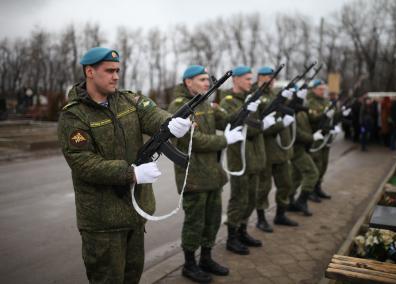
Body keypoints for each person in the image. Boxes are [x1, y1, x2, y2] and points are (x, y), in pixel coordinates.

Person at [57, 47, 192, 283]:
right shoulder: (74, 115)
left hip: (135, 213)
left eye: (118, 70)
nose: (116, 76)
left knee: (132, 278)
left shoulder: (129, 100)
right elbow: (83, 163)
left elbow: (154, 116)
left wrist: (173, 124)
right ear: (89, 71)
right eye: (109, 71)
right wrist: (130, 173)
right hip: (102, 223)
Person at [168, 65, 246, 283]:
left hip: (212, 174)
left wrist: (248, 107)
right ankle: (189, 264)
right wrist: (225, 140)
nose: (206, 83)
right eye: (201, 79)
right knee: (195, 222)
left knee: (212, 220)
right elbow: (195, 140)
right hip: (193, 176)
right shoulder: (180, 107)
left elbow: (227, 119)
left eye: (206, 80)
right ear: (188, 82)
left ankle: (206, 258)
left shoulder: (207, 103)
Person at [220, 66, 266, 255]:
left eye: (251, 79)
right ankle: (232, 237)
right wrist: (246, 110)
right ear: (236, 80)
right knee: (239, 199)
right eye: (247, 79)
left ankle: (242, 230)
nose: (250, 82)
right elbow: (228, 122)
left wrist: (253, 112)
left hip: (255, 157)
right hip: (239, 159)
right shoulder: (228, 101)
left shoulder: (252, 99)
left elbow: (257, 128)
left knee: (252, 198)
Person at [255, 66, 298, 233]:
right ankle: (261, 219)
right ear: (260, 78)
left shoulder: (274, 94)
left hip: (281, 151)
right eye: (268, 77)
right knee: (263, 188)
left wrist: (292, 98)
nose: (272, 80)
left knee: (286, 184)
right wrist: (281, 124)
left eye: (273, 77)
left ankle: (281, 214)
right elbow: (261, 126)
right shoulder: (256, 97)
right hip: (266, 151)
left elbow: (288, 111)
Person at [288, 87, 321, 216]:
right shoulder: (293, 111)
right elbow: (295, 133)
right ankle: (301, 201)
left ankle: (289, 203)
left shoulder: (301, 110)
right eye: (300, 94)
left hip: (302, 148)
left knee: (295, 177)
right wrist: (312, 137)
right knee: (312, 173)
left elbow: (310, 123)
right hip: (296, 149)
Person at [306, 79, 336, 201]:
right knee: (315, 164)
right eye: (320, 89)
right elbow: (312, 118)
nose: (322, 91)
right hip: (315, 137)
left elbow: (331, 117)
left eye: (324, 89)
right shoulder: (311, 101)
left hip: (325, 137)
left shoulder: (325, 101)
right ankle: (310, 190)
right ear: (314, 89)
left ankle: (318, 187)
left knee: (323, 164)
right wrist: (324, 115)